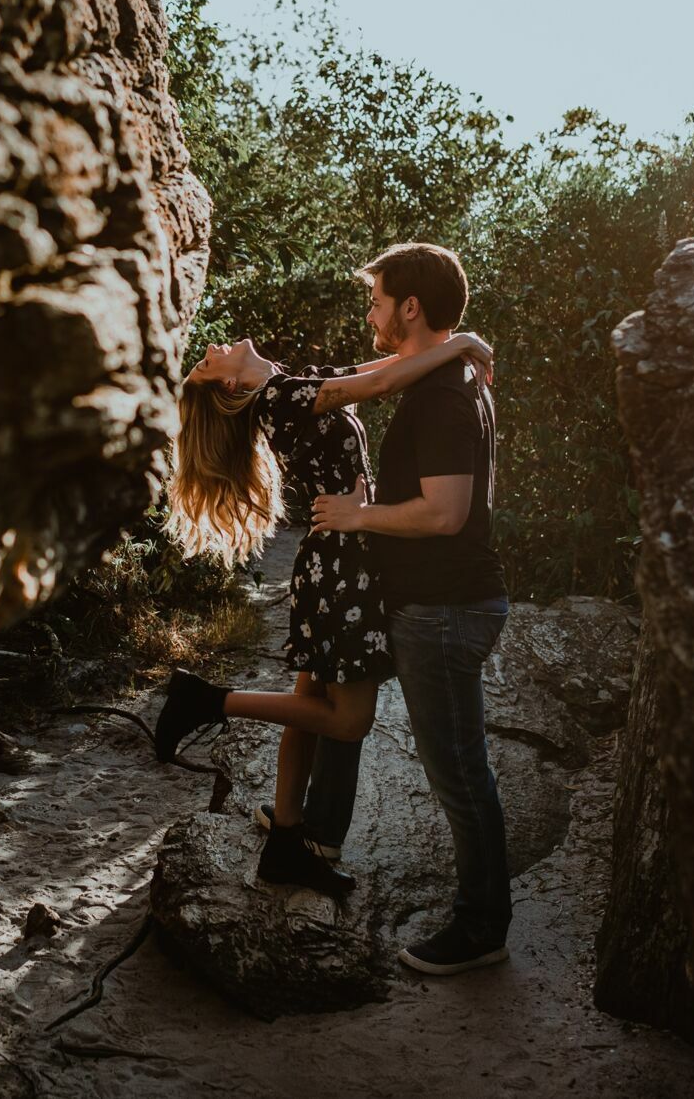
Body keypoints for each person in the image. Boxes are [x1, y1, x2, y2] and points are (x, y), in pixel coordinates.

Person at [153, 323, 492, 898]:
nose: (210, 349)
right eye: (207, 364)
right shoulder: (280, 399)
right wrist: (459, 344)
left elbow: (372, 372)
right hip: (341, 568)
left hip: (335, 560)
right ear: (231, 386)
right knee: (349, 720)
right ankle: (206, 700)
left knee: (308, 706)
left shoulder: (291, 384)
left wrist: (443, 347)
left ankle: (286, 841)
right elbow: (382, 385)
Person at [311, 241, 513, 976]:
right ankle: (314, 831)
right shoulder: (446, 377)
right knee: (349, 699)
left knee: (459, 773)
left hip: (445, 611)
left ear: (411, 307)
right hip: (432, 605)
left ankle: (482, 928)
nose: (370, 315)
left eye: (376, 302)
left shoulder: (444, 395)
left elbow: (446, 513)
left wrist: (359, 515)